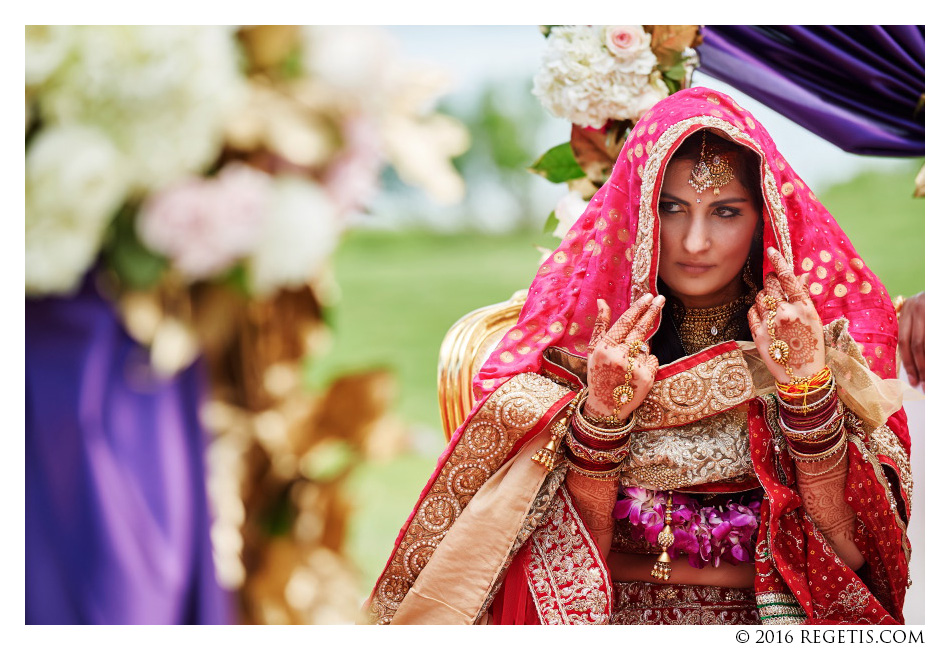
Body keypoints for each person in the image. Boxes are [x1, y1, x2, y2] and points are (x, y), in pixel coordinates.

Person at [366, 87, 912, 625]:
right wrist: (600, 421)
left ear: (762, 220)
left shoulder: (806, 346)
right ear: (640, 209)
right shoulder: (590, 351)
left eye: (724, 212)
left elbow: (852, 558)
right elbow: (557, 569)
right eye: (672, 208)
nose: (694, 242)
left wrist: (806, 394)